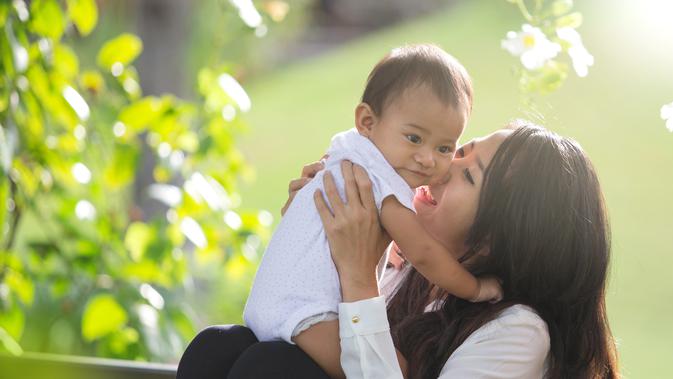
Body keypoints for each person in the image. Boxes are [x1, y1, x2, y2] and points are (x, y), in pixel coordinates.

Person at [177, 123, 619, 378]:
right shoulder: (416, 272)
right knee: (218, 347)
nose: (442, 165)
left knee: (272, 369)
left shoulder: (518, 331)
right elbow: (319, 331)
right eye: (457, 151)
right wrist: (317, 232)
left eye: (468, 176)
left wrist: (356, 273)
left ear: (503, 234)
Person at [243, 44, 501, 378]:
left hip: (271, 301)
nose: (427, 159)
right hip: (306, 313)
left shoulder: (346, 150)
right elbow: (422, 253)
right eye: (414, 138)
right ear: (367, 120)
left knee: (226, 350)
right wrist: (475, 289)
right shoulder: (383, 182)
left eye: (444, 148)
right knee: (401, 372)